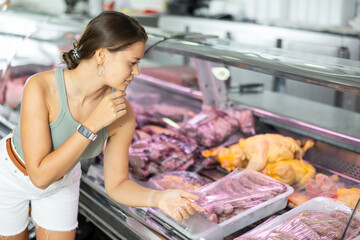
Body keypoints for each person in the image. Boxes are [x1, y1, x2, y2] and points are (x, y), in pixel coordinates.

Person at [0, 11, 204, 240]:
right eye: (132, 62)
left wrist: (158, 198)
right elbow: (39, 176)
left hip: (63, 181)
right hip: (12, 177)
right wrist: (92, 125)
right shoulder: (40, 86)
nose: (137, 72)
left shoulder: (123, 113)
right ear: (102, 55)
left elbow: (117, 185)